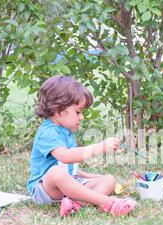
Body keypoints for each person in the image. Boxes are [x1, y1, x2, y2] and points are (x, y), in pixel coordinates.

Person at [26, 76, 136, 217]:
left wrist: (92, 177)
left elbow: (70, 170)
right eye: (78, 112)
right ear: (58, 110)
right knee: (55, 172)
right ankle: (107, 203)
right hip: (45, 189)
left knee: (109, 180)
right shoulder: (48, 132)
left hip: (69, 185)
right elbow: (64, 157)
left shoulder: (66, 130)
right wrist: (99, 147)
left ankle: (75, 205)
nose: (81, 117)